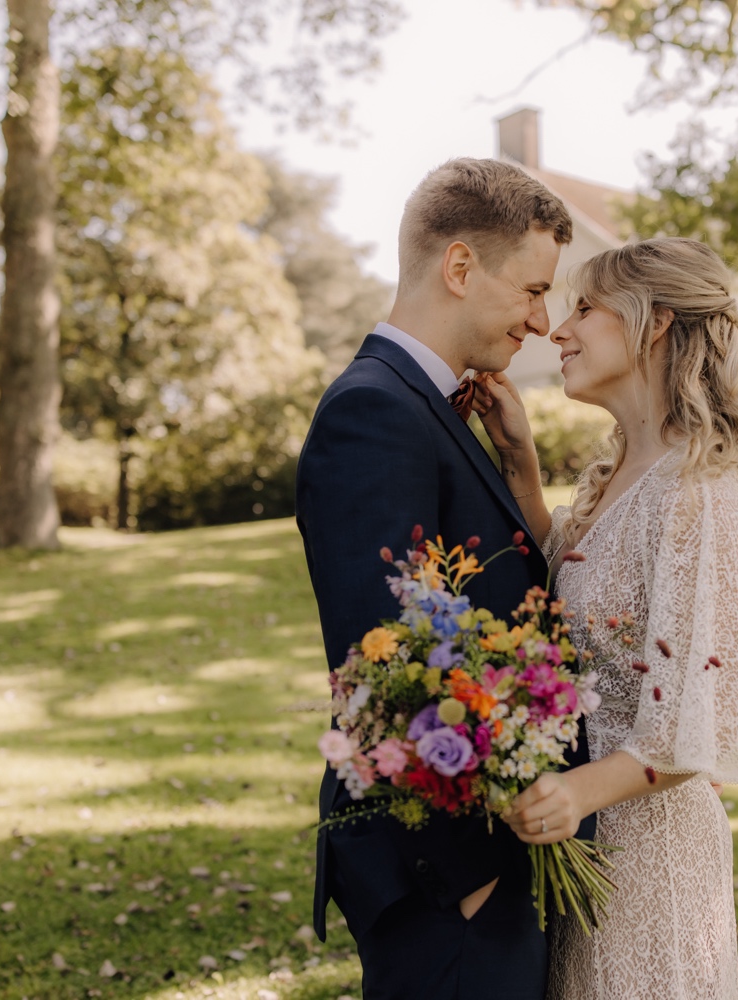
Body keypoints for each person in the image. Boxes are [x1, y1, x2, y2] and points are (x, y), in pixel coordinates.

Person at [294, 157, 577, 1000]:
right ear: (460, 267)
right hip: (447, 870)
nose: (541, 318)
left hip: (488, 848)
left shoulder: (430, 406)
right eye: (531, 289)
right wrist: (467, 877)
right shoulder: (373, 411)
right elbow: (379, 654)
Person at [473, 237, 738, 999]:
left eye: (585, 308)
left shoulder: (701, 495)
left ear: (654, 323)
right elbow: (583, 598)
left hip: (652, 863)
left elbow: (693, 727)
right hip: (588, 846)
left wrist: (576, 794)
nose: (557, 329)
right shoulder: (623, 477)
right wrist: (521, 464)